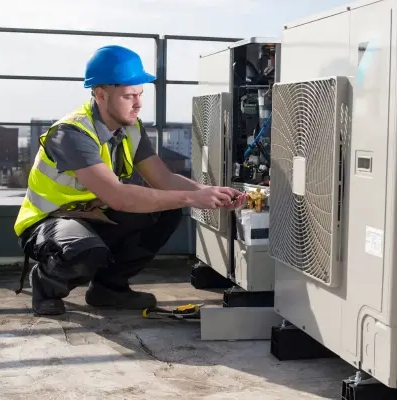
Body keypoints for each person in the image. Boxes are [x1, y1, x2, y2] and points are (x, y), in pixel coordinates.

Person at [14, 45, 246, 316]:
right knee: (83, 250)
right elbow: (118, 196)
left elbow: (163, 178)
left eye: (140, 94)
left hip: (94, 216)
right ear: (101, 94)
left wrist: (211, 192)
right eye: (129, 96)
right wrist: (194, 198)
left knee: (166, 211)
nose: (138, 103)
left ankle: (108, 288)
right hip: (50, 222)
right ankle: (46, 285)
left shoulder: (131, 128)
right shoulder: (72, 134)